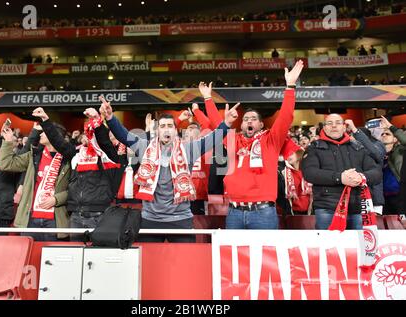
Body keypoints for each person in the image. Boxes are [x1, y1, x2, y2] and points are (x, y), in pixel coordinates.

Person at [101, 94, 239, 242]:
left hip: (181, 219)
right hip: (150, 219)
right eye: (162, 126)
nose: (166, 130)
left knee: (184, 263)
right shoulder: (144, 147)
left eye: (170, 126)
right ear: (158, 131)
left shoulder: (189, 149)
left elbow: (212, 139)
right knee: (150, 264)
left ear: (175, 130)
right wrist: (110, 118)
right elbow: (124, 136)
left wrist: (227, 123)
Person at [223, 60, 304, 229]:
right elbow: (214, 129)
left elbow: (285, 118)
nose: (249, 121)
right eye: (245, 119)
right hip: (234, 212)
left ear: (261, 124)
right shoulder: (234, 141)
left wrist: (290, 87)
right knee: (233, 256)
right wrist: (209, 100)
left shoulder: (271, 140)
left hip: (263, 213)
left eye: (253, 119)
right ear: (241, 125)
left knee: (265, 256)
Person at [31, 106, 121, 241]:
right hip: (76, 216)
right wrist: (45, 120)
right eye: (86, 134)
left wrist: (96, 120)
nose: (88, 137)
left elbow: (104, 141)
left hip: (99, 214)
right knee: (75, 255)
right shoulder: (77, 155)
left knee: (97, 256)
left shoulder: (107, 156)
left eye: (91, 133)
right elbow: (59, 142)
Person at [301, 114, 382, 229]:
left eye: (338, 123)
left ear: (344, 127)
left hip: (358, 208)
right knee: (330, 246)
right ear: (324, 128)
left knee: (359, 246)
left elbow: (377, 173)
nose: (334, 126)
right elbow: (309, 173)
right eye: (329, 123)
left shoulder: (358, 147)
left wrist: (362, 177)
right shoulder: (314, 148)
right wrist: (339, 178)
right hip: (327, 208)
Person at [0, 119, 71, 241]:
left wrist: (56, 199)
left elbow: (75, 189)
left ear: (55, 136)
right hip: (30, 218)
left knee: (50, 259)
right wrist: (8, 141)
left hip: (55, 220)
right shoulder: (34, 155)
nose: (41, 134)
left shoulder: (69, 159)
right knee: (30, 258)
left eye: (44, 132)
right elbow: (7, 164)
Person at [345, 119, 385, 215]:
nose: (351, 138)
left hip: (374, 197)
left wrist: (356, 132)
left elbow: (376, 155)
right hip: (357, 197)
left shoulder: (377, 146)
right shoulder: (353, 149)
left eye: (354, 136)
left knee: (373, 228)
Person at [379, 116, 406, 215]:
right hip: (383, 199)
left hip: (400, 196)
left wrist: (391, 127)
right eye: (382, 134)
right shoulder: (377, 153)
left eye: (388, 134)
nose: (384, 135)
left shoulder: (401, 151)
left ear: (395, 138)